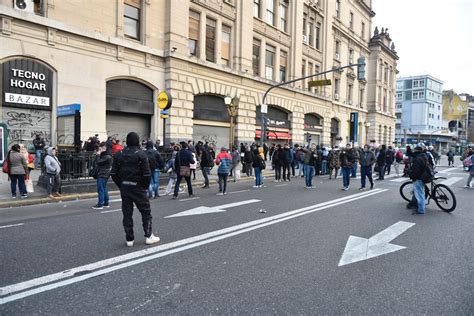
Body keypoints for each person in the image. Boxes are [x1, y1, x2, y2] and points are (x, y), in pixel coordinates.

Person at [110, 132, 160, 246]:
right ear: (137, 141)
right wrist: (145, 187)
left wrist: (121, 185)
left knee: (127, 213)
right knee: (145, 211)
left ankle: (129, 239)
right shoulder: (141, 155)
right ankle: (148, 236)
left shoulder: (119, 154)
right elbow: (147, 174)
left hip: (125, 187)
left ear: (127, 141)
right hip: (138, 187)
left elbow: (113, 173)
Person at [407, 143, 433, 215]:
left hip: (419, 178)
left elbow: (416, 171)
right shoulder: (423, 156)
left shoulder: (418, 159)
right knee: (420, 192)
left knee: (420, 194)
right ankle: (416, 205)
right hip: (424, 176)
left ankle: (421, 210)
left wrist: (412, 176)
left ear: (416, 151)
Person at [92, 142, 112, 209]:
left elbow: (98, 162)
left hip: (102, 174)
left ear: (105, 148)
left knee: (100, 189)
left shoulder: (107, 156)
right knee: (104, 188)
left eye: (102, 148)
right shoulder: (106, 155)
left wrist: (98, 155)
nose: (100, 149)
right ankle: (106, 203)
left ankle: (100, 204)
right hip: (104, 174)